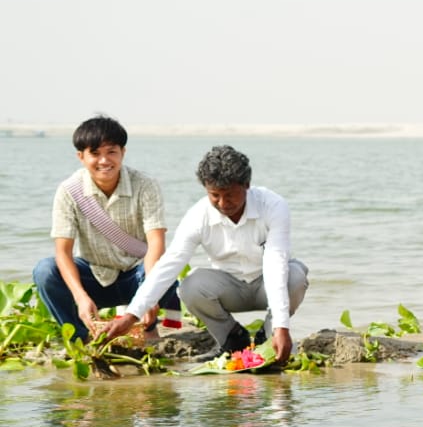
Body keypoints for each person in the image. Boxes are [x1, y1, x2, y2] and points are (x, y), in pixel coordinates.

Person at [101, 145, 309, 362]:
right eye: (215, 195)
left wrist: (281, 327)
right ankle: (231, 339)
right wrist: (130, 316)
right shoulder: (198, 216)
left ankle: (269, 336)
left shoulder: (273, 205)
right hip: (229, 288)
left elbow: (275, 263)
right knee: (190, 286)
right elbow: (170, 264)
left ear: (246, 185)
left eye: (229, 195)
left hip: (266, 284)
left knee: (295, 276)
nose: (222, 203)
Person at [34, 114, 180, 341]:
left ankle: (149, 329)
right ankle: (82, 337)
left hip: (136, 275)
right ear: (81, 156)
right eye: (95, 153)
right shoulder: (68, 191)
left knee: (166, 272)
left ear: (123, 152)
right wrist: (80, 297)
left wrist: (150, 295)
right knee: (45, 270)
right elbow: (63, 253)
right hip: (93, 276)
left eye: (111, 152)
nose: (104, 161)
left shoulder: (146, 185)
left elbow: (156, 244)